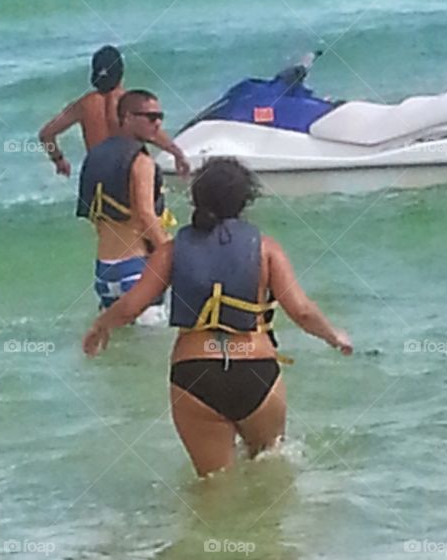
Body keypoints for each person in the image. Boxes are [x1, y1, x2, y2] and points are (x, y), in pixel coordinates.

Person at [82, 157, 352, 476]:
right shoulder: (266, 249)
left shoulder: (170, 251)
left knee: (212, 485)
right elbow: (302, 311)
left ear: (196, 198)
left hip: (194, 375)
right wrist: (334, 336)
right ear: (245, 201)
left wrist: (100, 326)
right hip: (255, 370)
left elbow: (130, 307)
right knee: (270, 472)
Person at [77, 89, 175, 317]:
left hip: (105, 271)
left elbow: (96, 217)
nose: (157, 124)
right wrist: (172, 256)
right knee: (151, 351)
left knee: (116, 348)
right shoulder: (141, 161)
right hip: (137, 270)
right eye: (150, 117)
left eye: (160, 117)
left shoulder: (94, 158)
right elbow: (146, 215)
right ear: (128, 117)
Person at [38, 45, 189, 179]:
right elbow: (152, 133)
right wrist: (177, 154)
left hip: (97, 174)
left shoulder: (83, 105)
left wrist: (59, 160)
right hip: (128, 171)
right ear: (120, 72)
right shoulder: (130, 102)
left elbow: (46, 134)